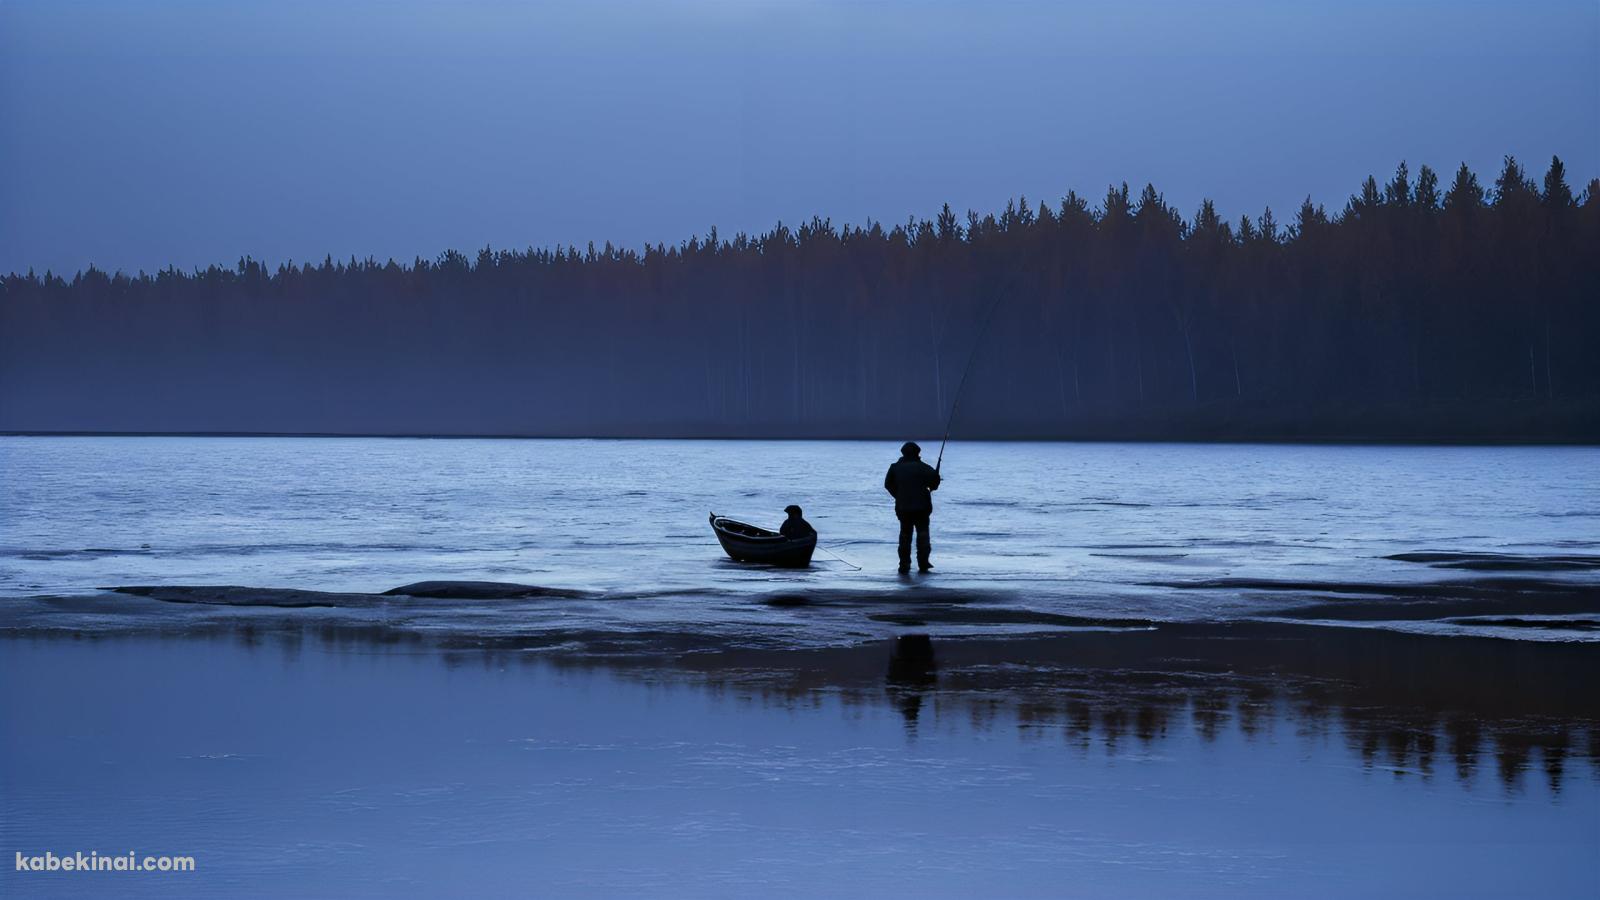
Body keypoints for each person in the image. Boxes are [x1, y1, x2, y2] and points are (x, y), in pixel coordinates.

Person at [884, 441, 940, 573]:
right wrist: (935, 478)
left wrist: (898, 495)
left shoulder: (895, 467)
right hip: (922, 508)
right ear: (917, 453)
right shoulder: (925, 468)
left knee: (905, 536)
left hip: (903, 508)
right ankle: (923, 563)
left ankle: (904, 564)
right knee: (923, 535)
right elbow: (934, 485)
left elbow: (888, 484)